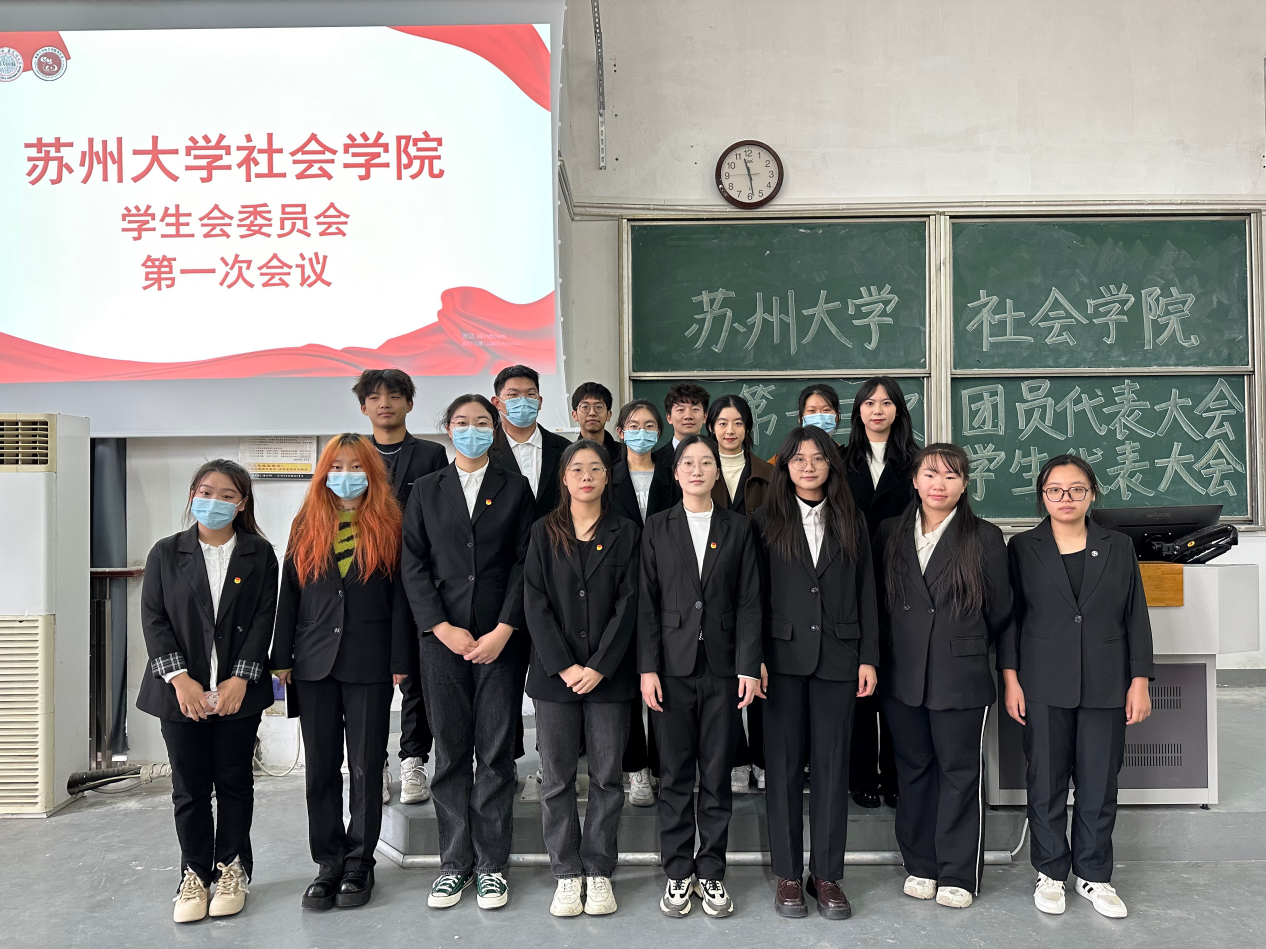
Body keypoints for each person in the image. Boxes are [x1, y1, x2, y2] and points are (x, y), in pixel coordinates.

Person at [1003, 454, 1153, 920]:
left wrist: (1140, 680)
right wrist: (1010, 678)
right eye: (1055, 490)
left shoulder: (1118, 545)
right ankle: (1050, 872)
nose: (1065, 498)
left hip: (1107, 681)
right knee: (1045, 782)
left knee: (1098, 783)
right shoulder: (1022, 547)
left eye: (1076, 489)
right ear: (1042, 496)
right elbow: (1010, 620)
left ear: (1092, 494)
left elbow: (1135, 615)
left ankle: (1094, 875)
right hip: (1042, 680)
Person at [401, 394, 537, 911]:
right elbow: (413, 564)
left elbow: (526, 561)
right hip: (442, 640)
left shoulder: (515, 487)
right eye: (462, 422)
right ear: (448, 429)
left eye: (482, 422)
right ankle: (454, 864)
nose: (472, 430)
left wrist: (505, 628)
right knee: (451, 752)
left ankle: (492, 866)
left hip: (501, 638)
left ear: (493, 429)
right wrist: (440, 627)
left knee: (496, 753)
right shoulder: (425, 489)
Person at [272, 434, 411, 910]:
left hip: (370, 660)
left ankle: (359, 863)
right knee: (321, 768)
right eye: (336, 466)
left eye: (355, 466)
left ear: (371, 472)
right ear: (323, 473)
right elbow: (289, 593)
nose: (345, 475)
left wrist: (400, 660)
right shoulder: (306, 523)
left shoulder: (391, 523)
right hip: (313, 662)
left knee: (367, 767)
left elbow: (401, 598)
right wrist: (281, 657)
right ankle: (328, 864)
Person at [874, 443, 1013, 910]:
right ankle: (921, 864)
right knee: (913, 770)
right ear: (914, 481)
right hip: (902, 674)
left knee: (959, 773)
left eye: (951, 476)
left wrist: (960, 641)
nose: (940, 484)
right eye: (931, 474)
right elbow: (879, 604)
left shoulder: (985, 536)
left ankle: (957, 872)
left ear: (965, 484)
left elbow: (1000, 610)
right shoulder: (889, 532)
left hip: (960, 673)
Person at [139, 460, 279, 923]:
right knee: (190, 788)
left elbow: (264, 618)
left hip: (238, 691)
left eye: (226, 495)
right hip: (180, 693)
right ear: (192, 495)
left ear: (242, 504)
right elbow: (154, 619)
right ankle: (194, 875)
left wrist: (241, 678)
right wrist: (180, 680)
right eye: (205, 491)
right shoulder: (166, 552)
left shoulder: (260, 553)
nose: (214, 501)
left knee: (235, 782)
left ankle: (232, 869)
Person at [753, 426, 878, 920]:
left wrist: (868, 656)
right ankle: (787, 873)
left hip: (839, 658)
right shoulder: (764, 521)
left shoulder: (852, 519)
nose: (808, 466)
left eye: (818, 458)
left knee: (832, 766)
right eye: (799, 458)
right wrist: (755, 658)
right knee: (783, 768)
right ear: (785, 466)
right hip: (779, 661)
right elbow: (752, 597)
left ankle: (826, 874)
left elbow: (867, 592)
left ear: (831, 466)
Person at [638, 434, 762, 919]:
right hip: (670, 669)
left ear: (717, 471)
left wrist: (748, 666)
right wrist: (648, 667)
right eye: (687, 462)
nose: (696, 470)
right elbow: (647, 603)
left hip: (723, 670)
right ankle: (677, 871)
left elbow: (750, 601)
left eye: (705, 462)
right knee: (674, 776)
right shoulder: (657, 526)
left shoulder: (738, 527)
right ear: (675, 472)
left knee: (715, 775)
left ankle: (711, 871)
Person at [524, 439, 640, 917]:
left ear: (607, 477)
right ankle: (566, 872)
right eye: (577, 469)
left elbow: (630, 603)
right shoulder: (542, 531)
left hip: (608, 677)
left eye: (595, 468)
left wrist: (599, 665)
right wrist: (566, 665)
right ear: (564, 478)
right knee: (556, 779)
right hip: (555, 676)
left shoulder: (626, 531)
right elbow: (534, 601)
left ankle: (598, 869)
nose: (587, 476)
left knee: (608, 778)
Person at [353, 368, 448, 806]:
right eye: (375, 397)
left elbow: (440, 516)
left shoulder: (430, 454)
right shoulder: (350, 453)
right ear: (363, 407)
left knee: (414, 673)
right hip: (364, 579)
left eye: (394, 396)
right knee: (368, 675)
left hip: (415, 578)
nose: (384, 403)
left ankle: (414, 759)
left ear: (409, 403)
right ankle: (374, 762)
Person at [842, 376, 917, 810]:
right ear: (858, 411)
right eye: (869, 402)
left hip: (899, 580)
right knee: (857, 684)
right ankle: (861, 774)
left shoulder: (916, 461)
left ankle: (895, 775)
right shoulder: (839, 459)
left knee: (894, 684)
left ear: (898, 411)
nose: (877, 410)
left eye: (886, 403)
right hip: (849, 579)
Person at [608, 398, 676, 806]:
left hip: (668, 589)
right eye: (633, 425)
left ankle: (666, 766)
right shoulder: (606, 476)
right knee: (629, 687)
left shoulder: (674, 474)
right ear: (620, 432)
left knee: (665, 681)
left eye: (650, 426)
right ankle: (635, 768)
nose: (642, 432)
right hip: (619, 589)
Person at [705, 394, 774, 793]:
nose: (729, 431)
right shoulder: (698, 468)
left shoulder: (769, 474)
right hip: (711, 586)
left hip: (760, 581)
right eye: (722, 423)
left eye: (737, 423)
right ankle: (735, 756)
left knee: (759, 670)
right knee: (720, 675)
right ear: (711, 427)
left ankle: (764, 757)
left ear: (748, 428)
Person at [489, 364, 573, 521]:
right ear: (497, 403)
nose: (523, 400)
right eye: (513, 395)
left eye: (530, 394)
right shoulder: (485, 450)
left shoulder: (566, 449)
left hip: (555, 533)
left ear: (539, 402)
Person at [650, 382, 711, 469]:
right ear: (669, 418)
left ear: (705, 417)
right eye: (680, 410)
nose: (688, 416)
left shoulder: (715, 455)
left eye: (695, 409)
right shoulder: (655, 460)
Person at [571, 381, 622, 461]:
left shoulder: (625, 454)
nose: (592, 413)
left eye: (599, 407)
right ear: (574, 415)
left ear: (609, 415)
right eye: (585, 407)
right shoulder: (569, 456)